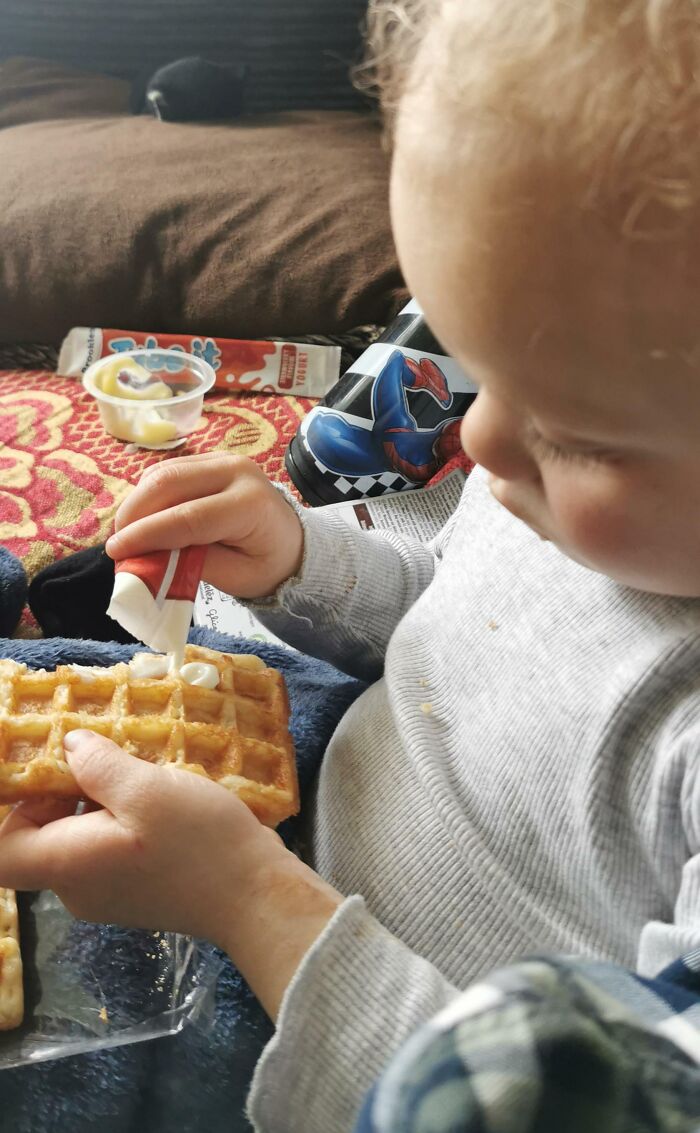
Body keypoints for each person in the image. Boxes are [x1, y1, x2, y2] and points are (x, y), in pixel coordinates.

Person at [2, 1, 700, 1129]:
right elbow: (439, 630)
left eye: (580, 433)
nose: (475, 446)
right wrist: (296, 562)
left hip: (329, 1029)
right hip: (313, 762)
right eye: (479, 374)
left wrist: (250, 903)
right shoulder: (607, 480)